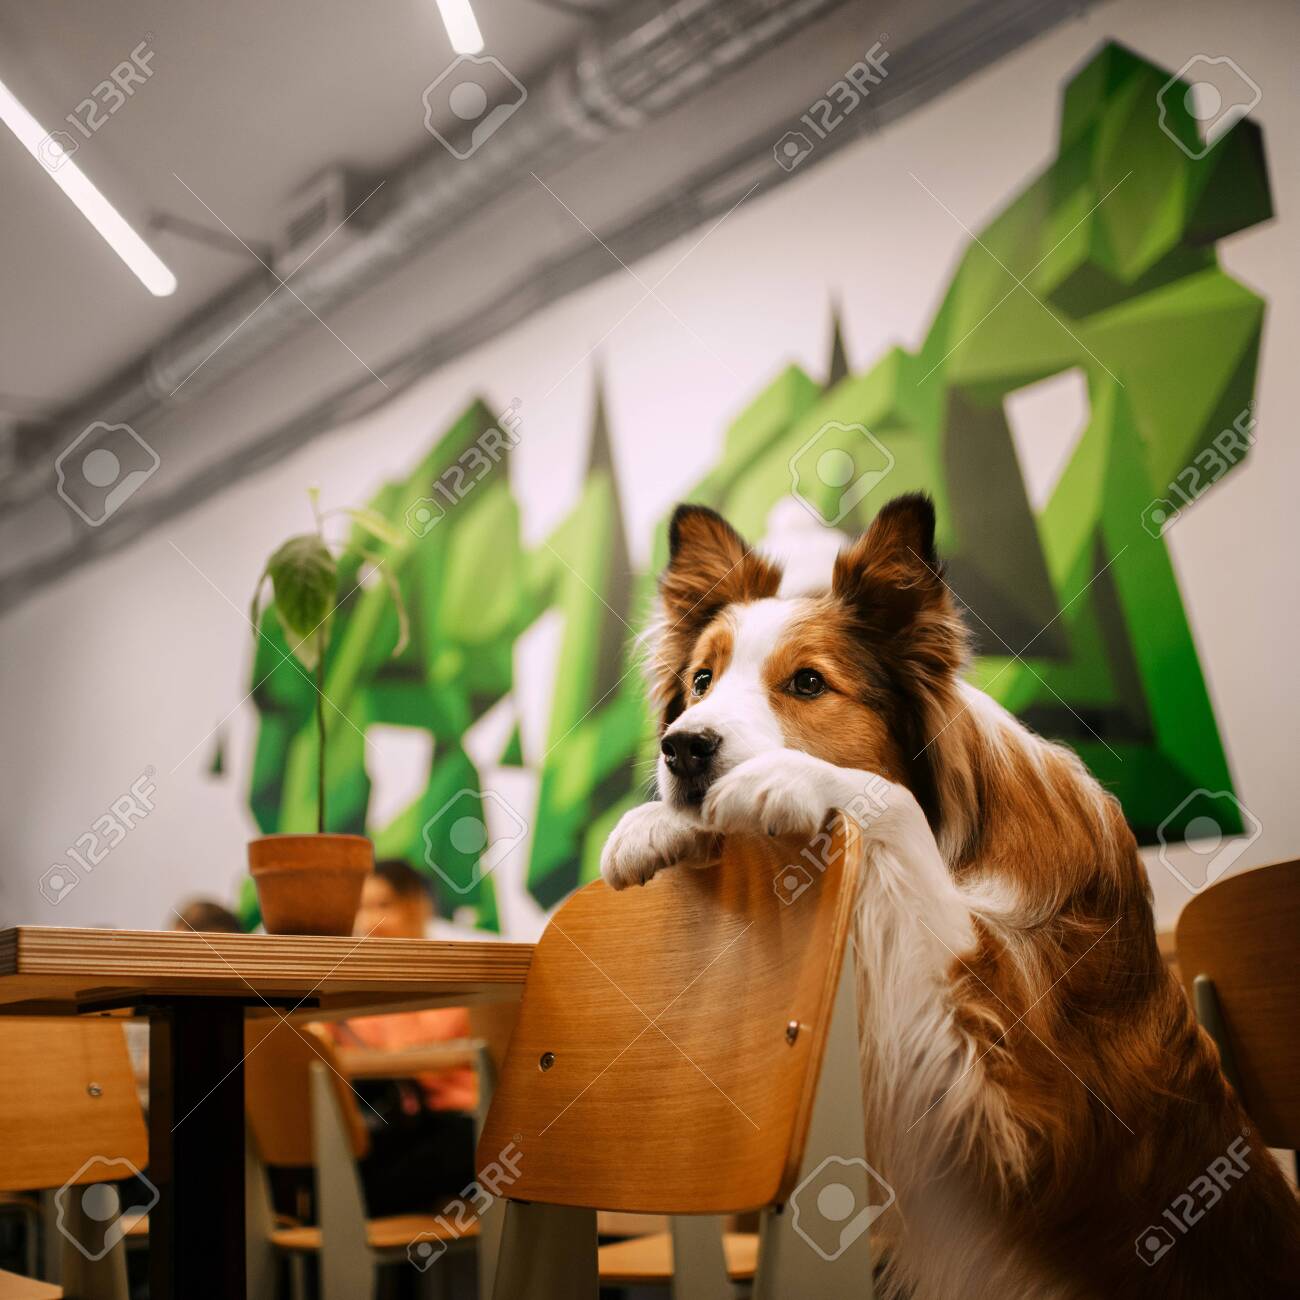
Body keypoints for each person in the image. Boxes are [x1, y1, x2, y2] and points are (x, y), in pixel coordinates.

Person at [323, 861, 478, 1216]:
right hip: (399, 1127)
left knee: (354, 1184)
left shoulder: (451, 974)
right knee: (340, 1165)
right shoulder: (357, 989)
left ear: (417, 906)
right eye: (360, 908)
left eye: (382, 906)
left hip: (457, 1121)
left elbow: (413, 1054)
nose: (367, 923)